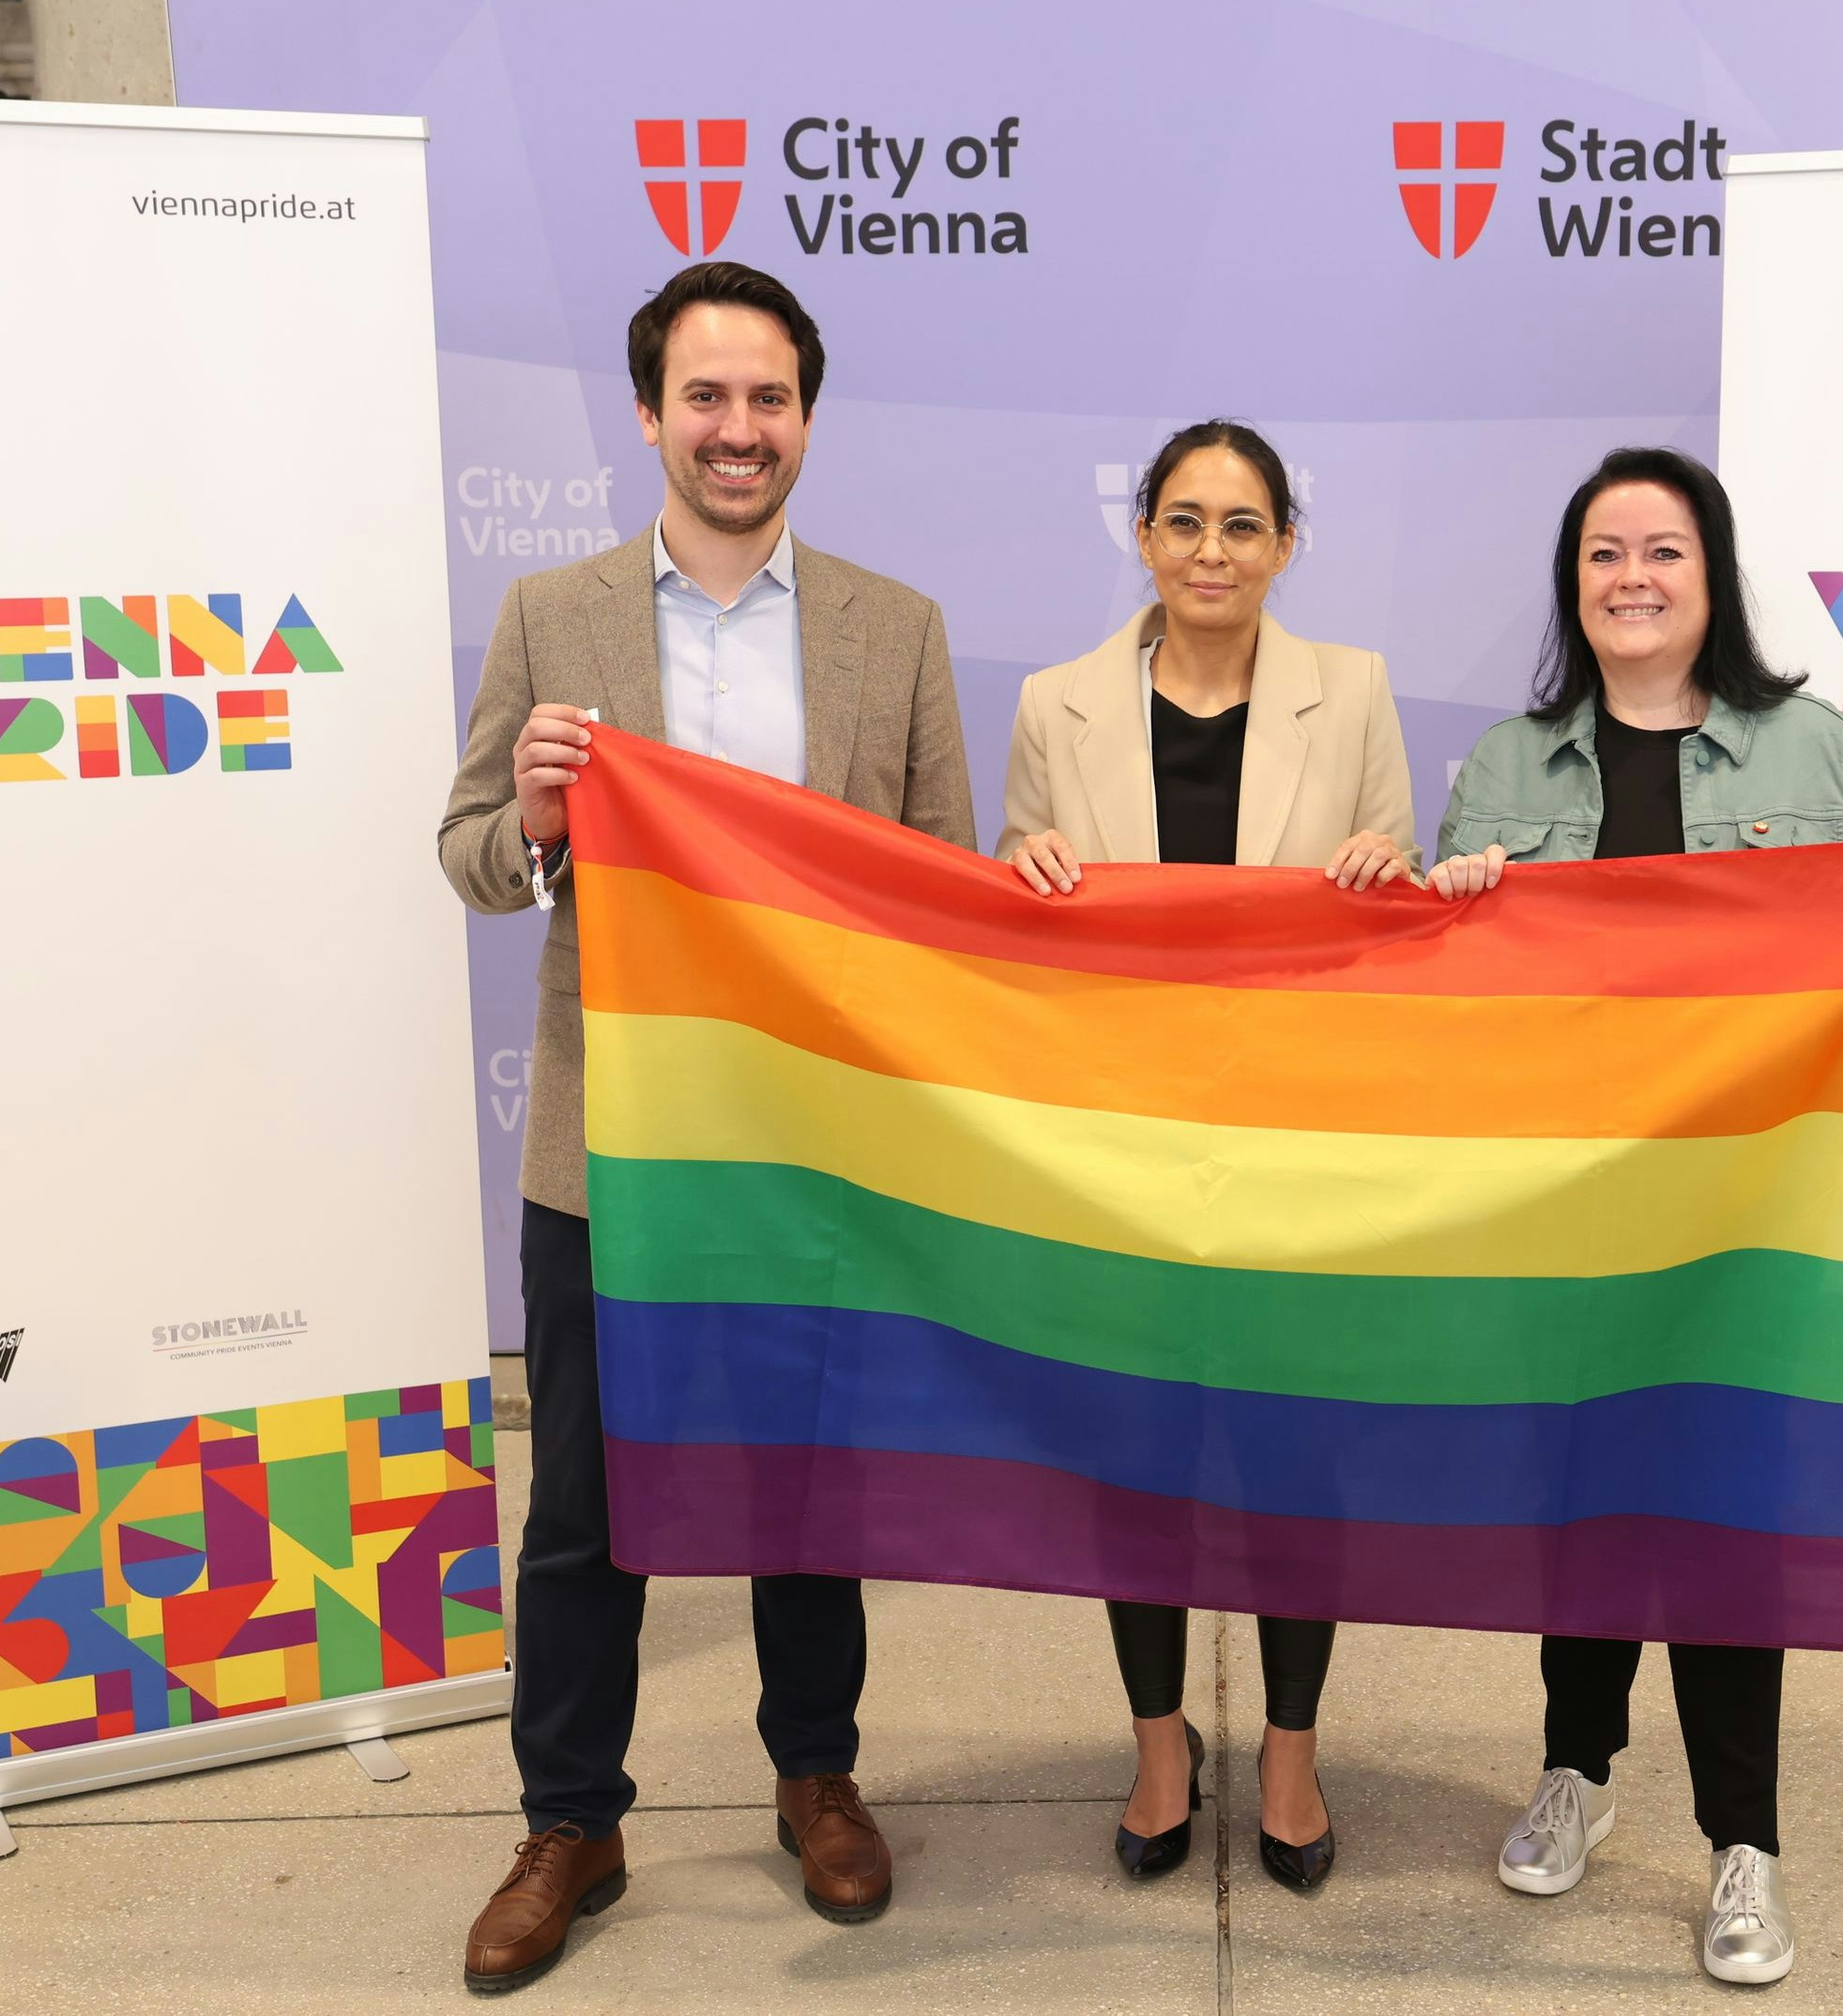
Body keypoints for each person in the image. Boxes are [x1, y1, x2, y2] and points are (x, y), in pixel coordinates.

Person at [437, 260, 977, 1993]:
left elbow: (944, 884)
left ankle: (815, 1773)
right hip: (611, 1150)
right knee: (587, 1501)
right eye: (706, 399)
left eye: (769, 400)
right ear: (652, 412)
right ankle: (569, 1820)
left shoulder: (895, 628)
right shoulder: (555, 614)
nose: (738, 431)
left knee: (812, 1491)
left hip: (820, 1151)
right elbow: (462, 855)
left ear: (806, 417)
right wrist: (526, 814)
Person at [1430, 447, 1843, 1990]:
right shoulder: (1511, 769)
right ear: (1573, 584)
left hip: (1752, 1217)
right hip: (1574, 1216)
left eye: (1663, 550)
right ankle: (1579, 1771)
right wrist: (1452, 906)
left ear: (1711, 575)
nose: (1633, 578)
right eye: (1604, 554)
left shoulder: (1814, 749)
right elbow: (1453, 1008)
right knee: (1585, 1506)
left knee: (1730, 1525)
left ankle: (1745, 1849)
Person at [996, 420, 1416, 1890]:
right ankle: (1162, 1744)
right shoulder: (1057, 704)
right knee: (1140, 1459)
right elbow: (1015, 933)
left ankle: (1289, 1752)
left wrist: (1381, 878)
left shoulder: (1353, 690)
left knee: (1301, 1457)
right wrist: (1024, 876)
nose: (1213, 551)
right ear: (1144, 538)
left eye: (1243, 525)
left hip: (1299, 1143)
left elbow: (1401, 931)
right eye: (1185, 521)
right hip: (1122, 1149)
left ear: (1285, 545)